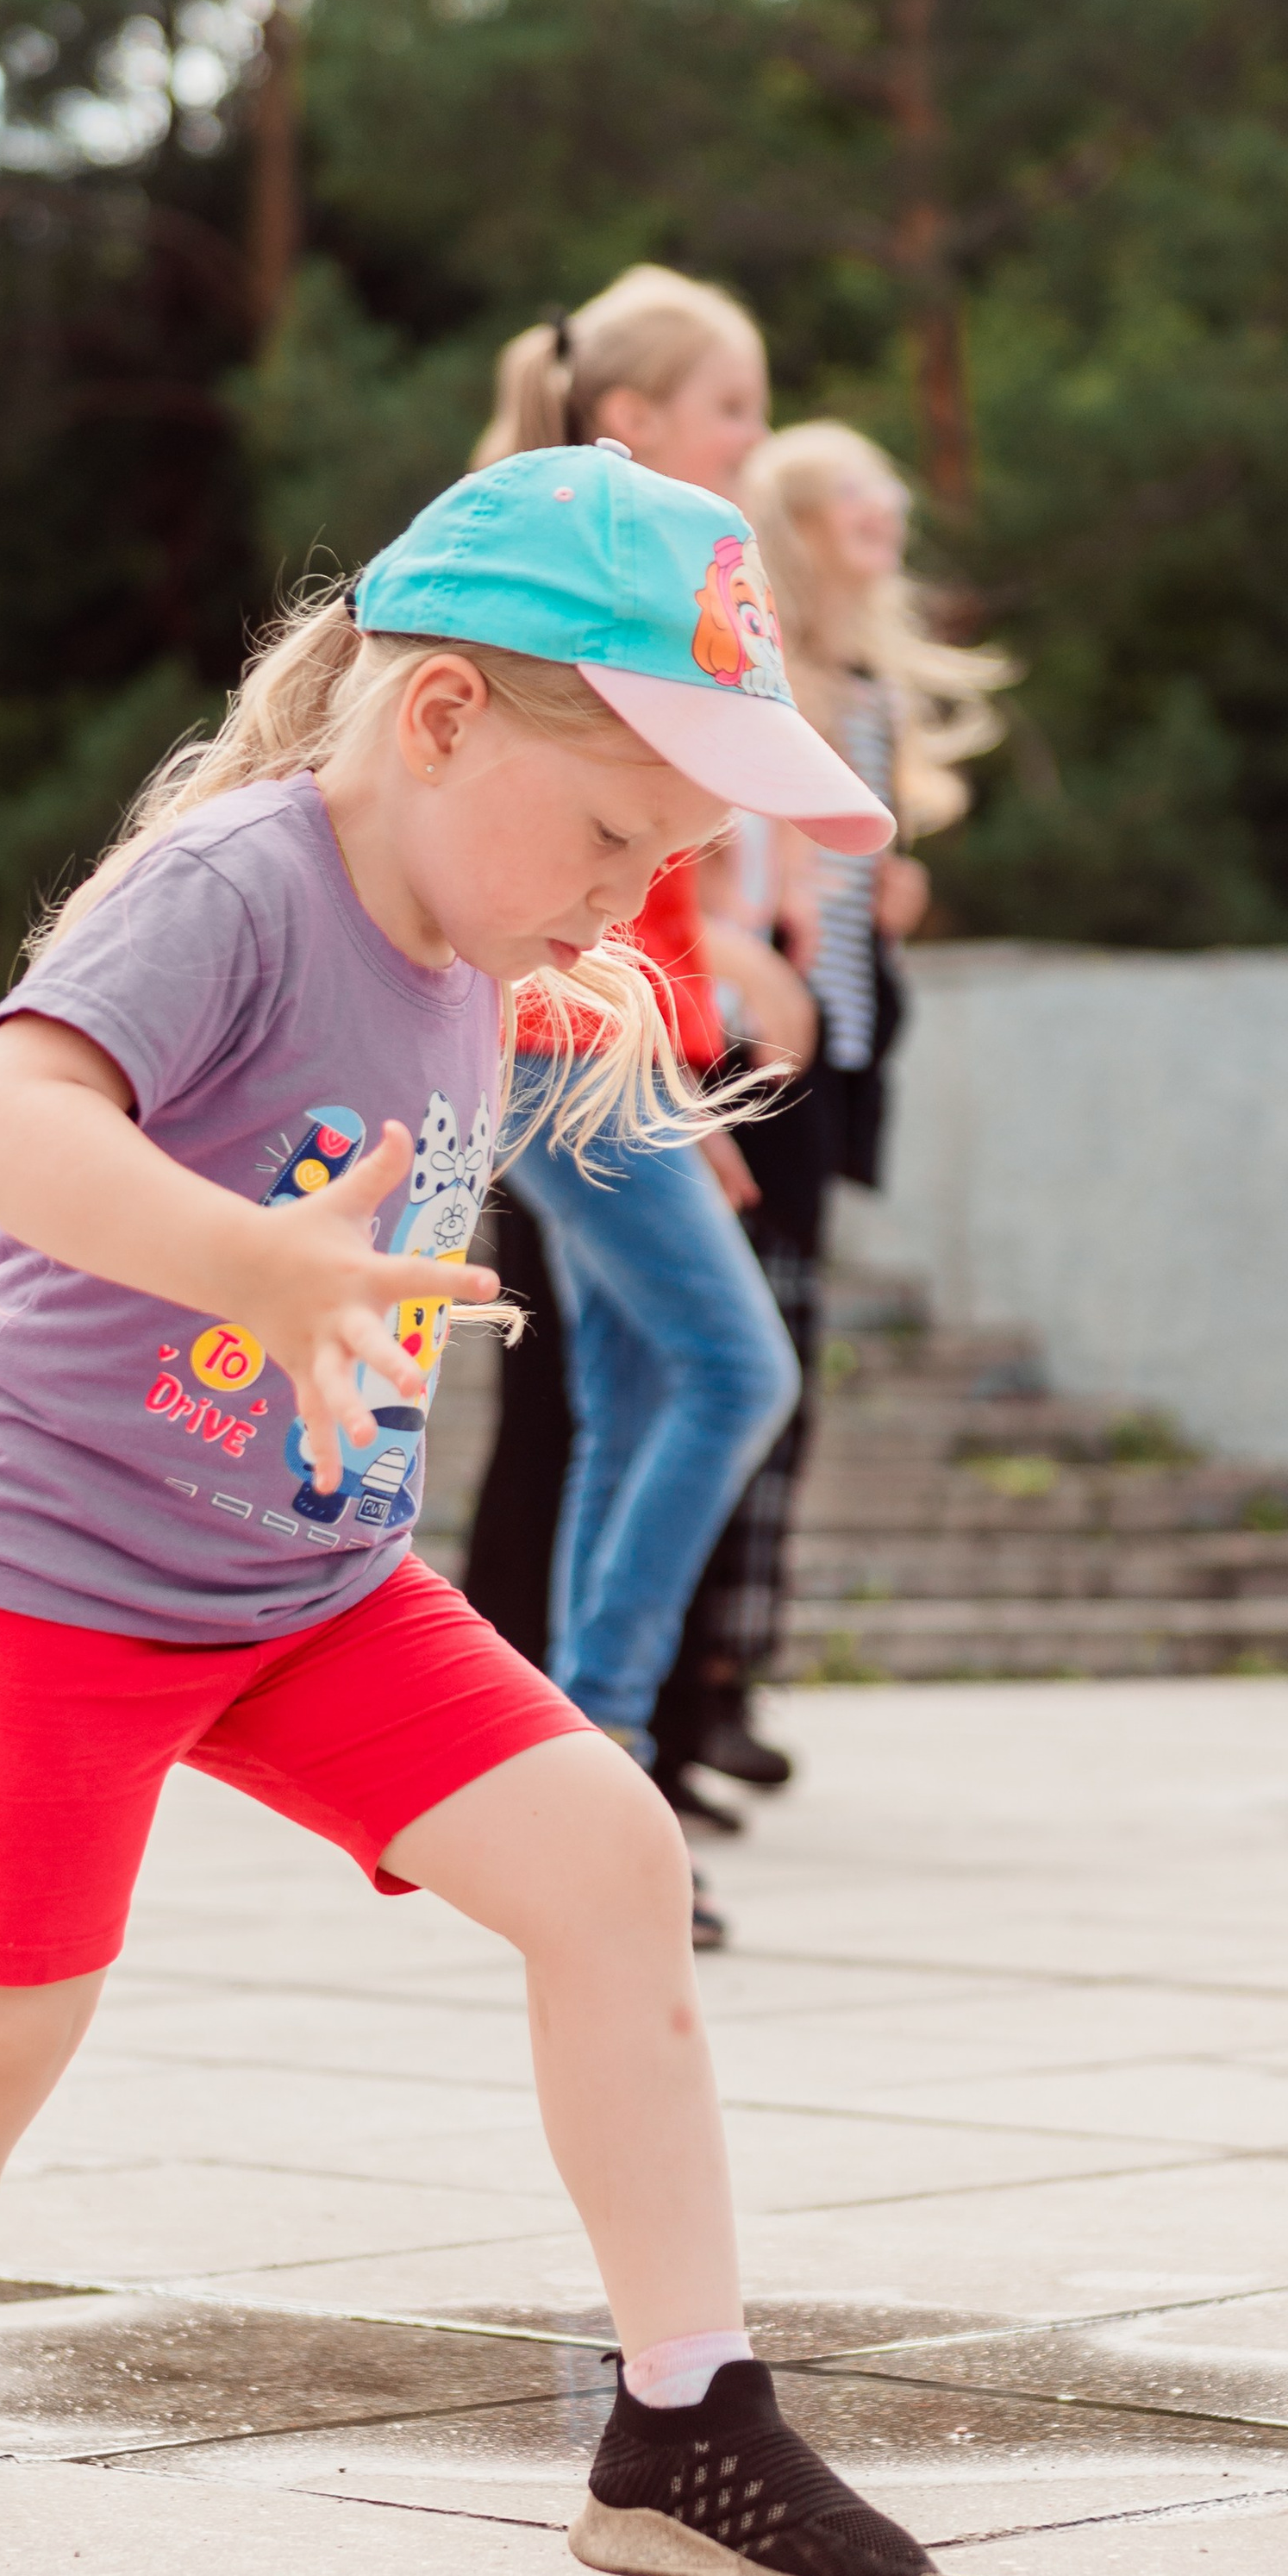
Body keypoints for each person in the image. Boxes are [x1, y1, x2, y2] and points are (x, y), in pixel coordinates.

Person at [0, 443, 941, 2576]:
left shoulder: (474, 939)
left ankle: (683, 2417)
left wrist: (139, 1271)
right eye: (613, 835)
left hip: (310, 1587)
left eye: (666, 861)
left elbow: (216, 1154)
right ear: (442, 717)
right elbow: (10, 1107)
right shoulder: (235, 876)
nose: (624, 895)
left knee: (609, 1864)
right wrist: (227, 1265)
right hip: (48, 1586)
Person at [460, 271, 815, 1934]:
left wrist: (679, 1074)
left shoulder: (608, 570)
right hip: (565, 1035)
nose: (754, 438)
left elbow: (656, 879)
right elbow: (604, 861)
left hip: (592, 1038)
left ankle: (579, 1788)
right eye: (733, 407)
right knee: (737, 1370)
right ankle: (598, 1764)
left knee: (631, 1394)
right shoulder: (609, 580)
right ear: (633, 422)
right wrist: (661, 1070)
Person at [651, 421, 1017, 1806]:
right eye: (854, 492)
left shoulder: (868, 694)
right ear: (796, 524)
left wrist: (884, 905)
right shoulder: (749, 670)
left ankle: (720, 1675)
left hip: (828, 1051)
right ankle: (671, 1691)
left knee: (774, 1372)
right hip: (734, 1045)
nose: (886, 509)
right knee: (730, 1370)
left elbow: (839, 881)